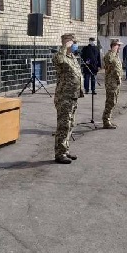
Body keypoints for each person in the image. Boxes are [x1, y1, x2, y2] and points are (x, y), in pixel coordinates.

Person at [53, 33, 84, 163]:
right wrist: (64, 47)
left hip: (73, 95)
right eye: (73, 42)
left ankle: (65, 150)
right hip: (64, 96)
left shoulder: (72, 57)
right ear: (67, 43)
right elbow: (57, 60)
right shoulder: (60, 56)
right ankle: (59, 154)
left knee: (70, 124)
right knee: (63, 125)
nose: (75, 44)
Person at [102, 38, 123, 129]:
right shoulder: (109, 55)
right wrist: (113, 52)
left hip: (116, 82)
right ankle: (106, 121)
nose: (120, 48)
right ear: (114, 46)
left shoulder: (116, 56)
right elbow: (109, 63)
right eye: (118, 46)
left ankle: (108, 120)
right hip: (111, 83)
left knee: (113, 102)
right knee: (110, 102)